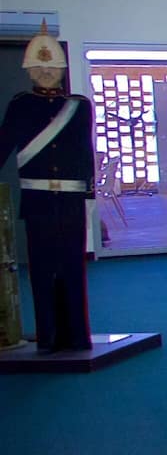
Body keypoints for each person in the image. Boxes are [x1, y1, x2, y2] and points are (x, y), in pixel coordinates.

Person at [0, 22, 95, 352]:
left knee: (73, 268)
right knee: (41, 270)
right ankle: (48, 338)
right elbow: (3, 145)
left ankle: (78, 336)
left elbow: (85, 150)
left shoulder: (79, 105)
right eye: (39, 67)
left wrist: (89, 190)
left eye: (51, 66)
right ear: (28, 70)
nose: (45, 72)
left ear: (62, 70)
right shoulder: (20, 104)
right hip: (37, 199)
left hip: (70, 200)